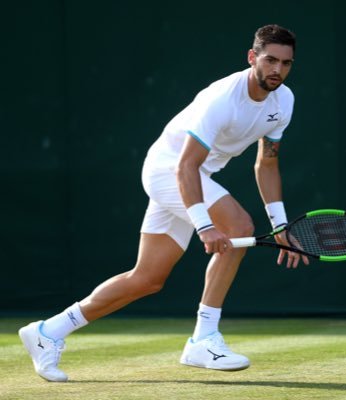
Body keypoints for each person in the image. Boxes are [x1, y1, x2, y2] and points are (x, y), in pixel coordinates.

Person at [19, 24, 309, 382]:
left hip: (195, 178)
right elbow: (186, 166)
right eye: (270, 60)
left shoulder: (285, 102)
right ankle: (204, 338)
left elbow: (266, 163)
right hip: (170, 171)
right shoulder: (222, 98)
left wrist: (280, 226)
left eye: (286, 63)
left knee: (147, 279)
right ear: (253, 58)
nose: (277, 70)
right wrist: (204, 225)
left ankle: (47, 333)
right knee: (240, 227)